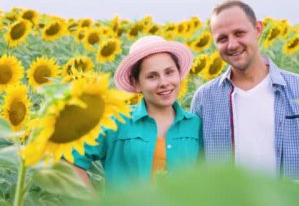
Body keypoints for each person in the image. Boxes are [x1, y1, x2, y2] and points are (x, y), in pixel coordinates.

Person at [190, 0, 299, 178]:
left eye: (239, 33)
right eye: (222, 39)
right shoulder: (205, 98)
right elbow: (198, 166)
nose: (232, 44)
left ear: (258, 30)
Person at [72, 35, 203, 189]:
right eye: (152, 76)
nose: (164, 83)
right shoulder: (116, 120)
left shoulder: (195, 124)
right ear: (136, 83)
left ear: (179, 74)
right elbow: (70, 163)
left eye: (169, 72)